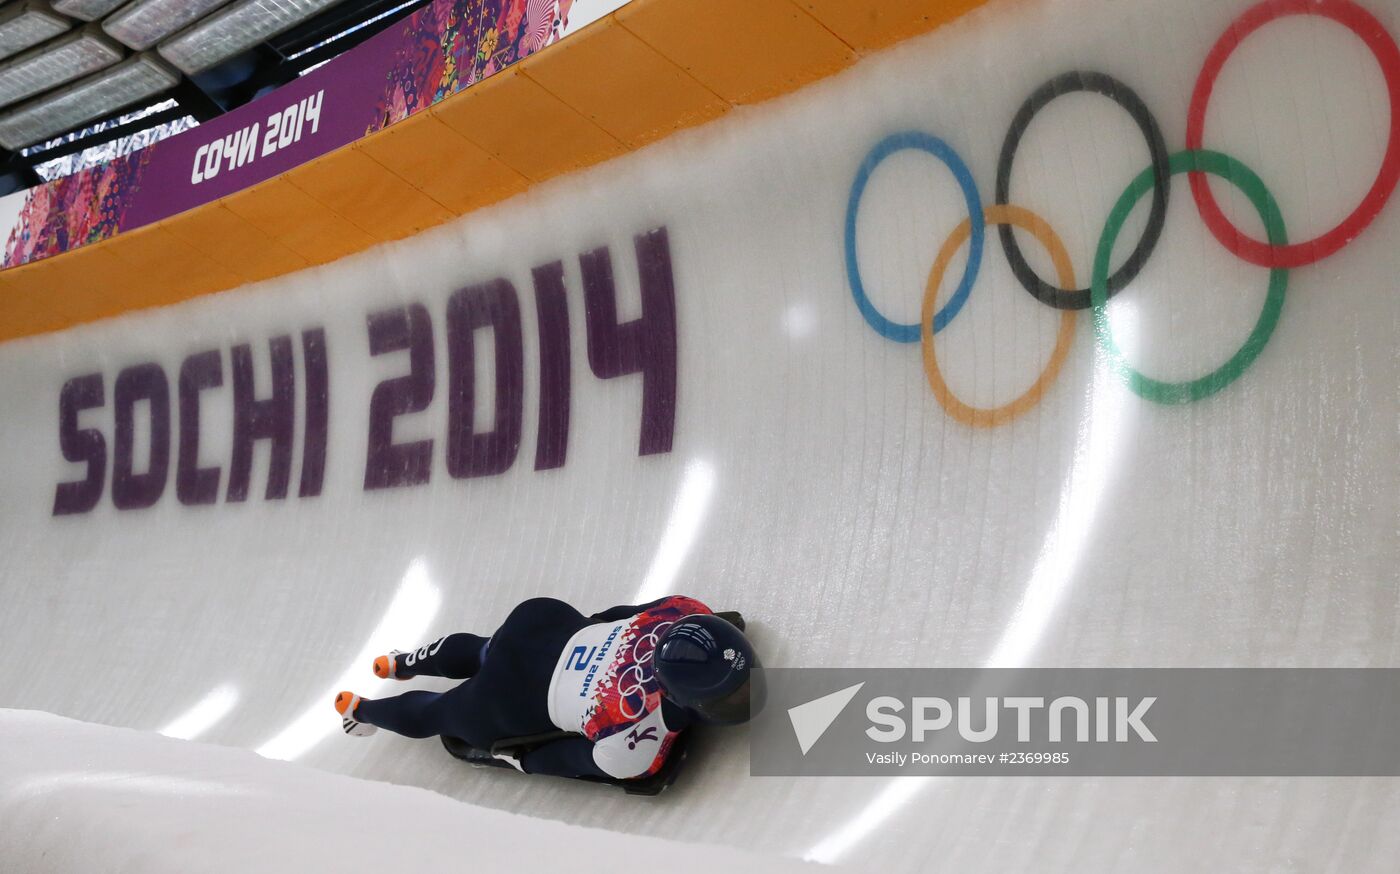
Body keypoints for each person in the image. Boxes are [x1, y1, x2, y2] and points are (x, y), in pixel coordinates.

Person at [333, 595, 760, 781]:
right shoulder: (636, 742)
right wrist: (522, 761)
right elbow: (572, 759)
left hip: (542, 623)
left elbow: (614, 615)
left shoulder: (685, 609)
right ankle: (361, 712)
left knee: (487, 648)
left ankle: (401, 662)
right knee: (440, 712)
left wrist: (586, 633)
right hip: (510, 698)